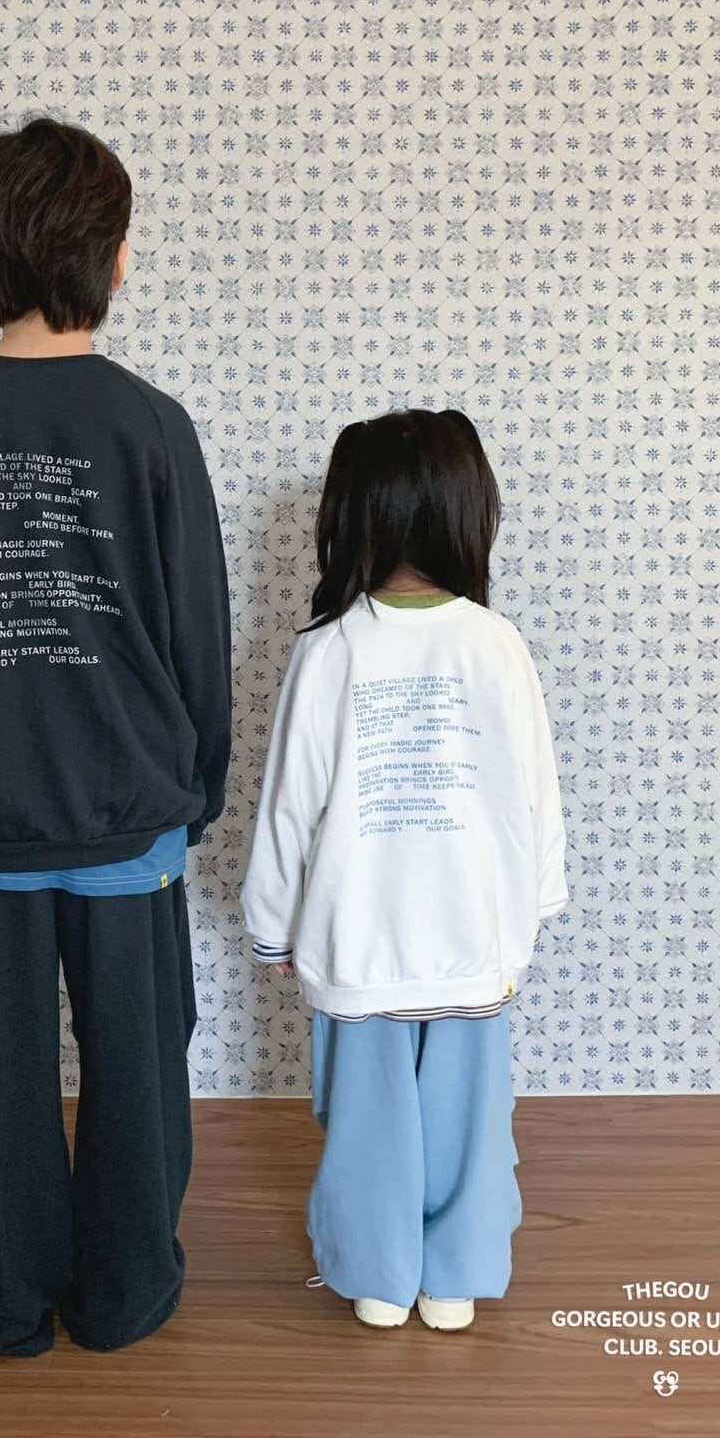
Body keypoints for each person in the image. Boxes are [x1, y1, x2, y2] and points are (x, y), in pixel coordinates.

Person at [0, 115, 232, 1357]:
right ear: (117, 260)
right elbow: (197, 632)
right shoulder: (152, 424)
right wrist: (195, 792)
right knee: (139, 1071)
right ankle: (124, 1292)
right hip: (129, 812)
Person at [241, 410, 566, 1332]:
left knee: (366, 1121)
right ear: (468, 512)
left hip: (360, 938)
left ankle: (378, 1275)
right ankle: (453, 1276)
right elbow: (537, 796)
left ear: (353, 514)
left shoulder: (330, 648)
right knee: (471, 1121)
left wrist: (274, 925)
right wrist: (530, 911)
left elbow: (289, 807)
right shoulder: (496, 643)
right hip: (474, 937)